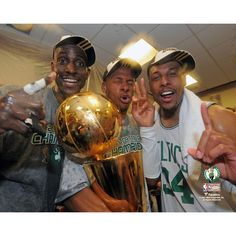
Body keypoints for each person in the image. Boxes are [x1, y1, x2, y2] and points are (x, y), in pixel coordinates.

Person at [0, 35, 110, 211]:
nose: (71, 69)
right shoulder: (24, 101)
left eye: (80, 63)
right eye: (63, 60)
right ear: (53, 66)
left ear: (87, 74)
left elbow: (78, 175)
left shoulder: (82, 122)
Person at [131, 47, 236, 211]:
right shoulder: (152, 120)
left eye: (172, 73)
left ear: (184, 79)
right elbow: (152, 180)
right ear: (150, 86)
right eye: (156, 77)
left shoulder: (219, 119)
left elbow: (223, 186)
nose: (164, 81)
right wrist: (146, 128)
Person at [55, 58, 150, 211]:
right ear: (104, 87)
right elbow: (72, 179)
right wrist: (106, 203)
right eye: (118, 81)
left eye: (130, 82)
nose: (125, 87)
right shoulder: (89, 126)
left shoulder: (141, 124)